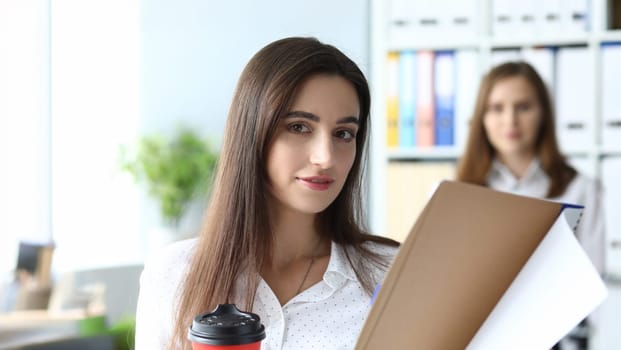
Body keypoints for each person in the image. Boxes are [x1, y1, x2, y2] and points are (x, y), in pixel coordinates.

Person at [134, 37, 400, 350]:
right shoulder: (175, 273)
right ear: (252, 133)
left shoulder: (391, 275)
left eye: (343, 134)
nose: (326, 157)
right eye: (299, 127)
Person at [456, 61, 606, 349]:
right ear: (482, 118)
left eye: (523, 107)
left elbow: (590, 283)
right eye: (497, 108)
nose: (510, 120)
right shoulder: (456, 193)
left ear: (543, 115)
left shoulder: (581, 189)